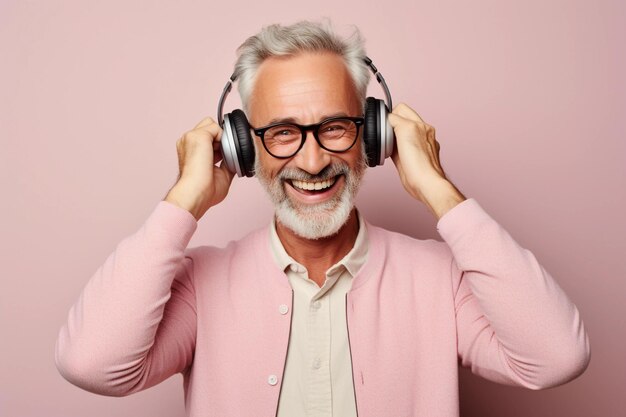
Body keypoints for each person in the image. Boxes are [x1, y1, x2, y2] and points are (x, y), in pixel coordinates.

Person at [55, 20, 591, 417]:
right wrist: (184, 200)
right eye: (282, 133)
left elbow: (555, 358)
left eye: (335, 127)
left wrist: (437, 189)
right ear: (244, 149)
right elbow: (92, 364)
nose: (312, 162)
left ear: (373, 138)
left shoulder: (439, 279)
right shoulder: (201, 285)